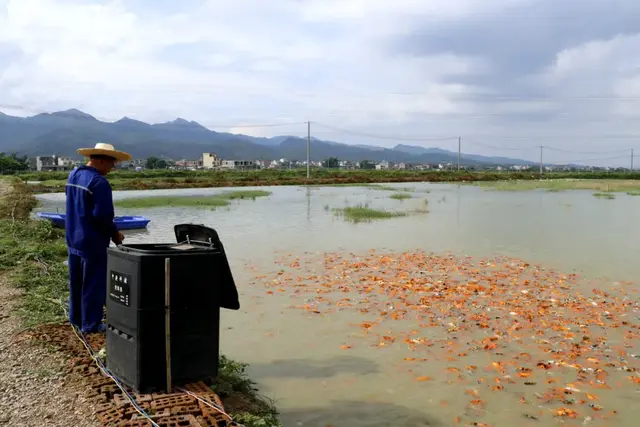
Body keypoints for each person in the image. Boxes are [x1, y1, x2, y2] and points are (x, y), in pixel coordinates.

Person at [65, 142, 132, 334]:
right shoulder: (99, 183)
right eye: (112, 163)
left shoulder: (74, 175)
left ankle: (76, 319)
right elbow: (103, 216)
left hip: (73, 238)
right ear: (102, 160)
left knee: (76, 280)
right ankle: (91, 324)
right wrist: (115, 234)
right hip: (91, 241)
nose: (113, 168)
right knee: (93, 284)